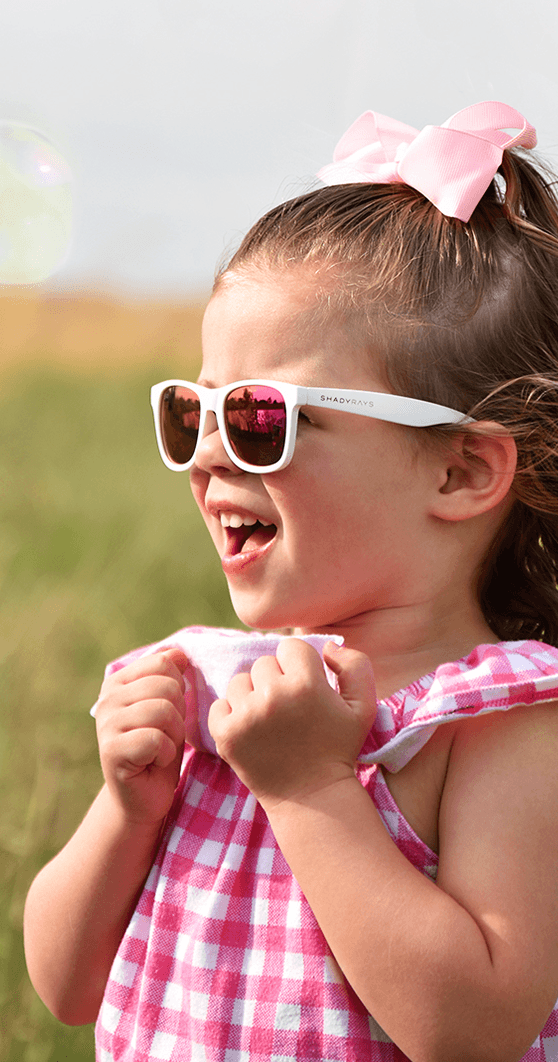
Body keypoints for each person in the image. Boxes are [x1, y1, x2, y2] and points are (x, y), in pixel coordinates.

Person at [23, 101, 558, 1062]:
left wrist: (311, 786)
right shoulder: (209, 689)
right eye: (194, 412)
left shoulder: (501, 725)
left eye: (265, 418)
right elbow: (65, 988)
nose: (211, 456)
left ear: (463, 470)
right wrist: (126, 808)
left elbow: (471, 1028)